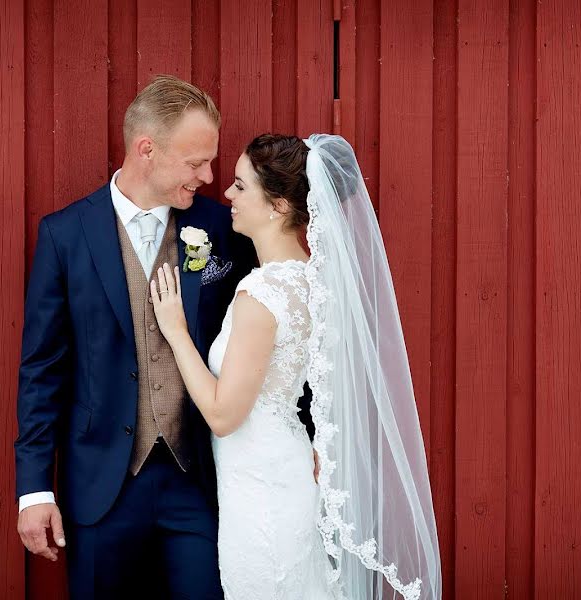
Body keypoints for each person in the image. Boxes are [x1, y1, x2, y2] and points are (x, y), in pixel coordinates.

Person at [14, 75, 313, 598]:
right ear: (146, 150)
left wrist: (309, 432)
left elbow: (281, 338)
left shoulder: (226, 227)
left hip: (198, 480)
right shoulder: (64, 235)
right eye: (196, 162)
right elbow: (42, 369)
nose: (210, 176)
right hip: (101, 486)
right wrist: (34, 490)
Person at [150, 133, 442, 599]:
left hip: (262, 489)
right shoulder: (312, 281)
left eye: (241, 187)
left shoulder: (261, 295)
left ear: (279, 205)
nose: (227, 194)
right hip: (281, 467)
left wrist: (176, 331)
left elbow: (225, 416)